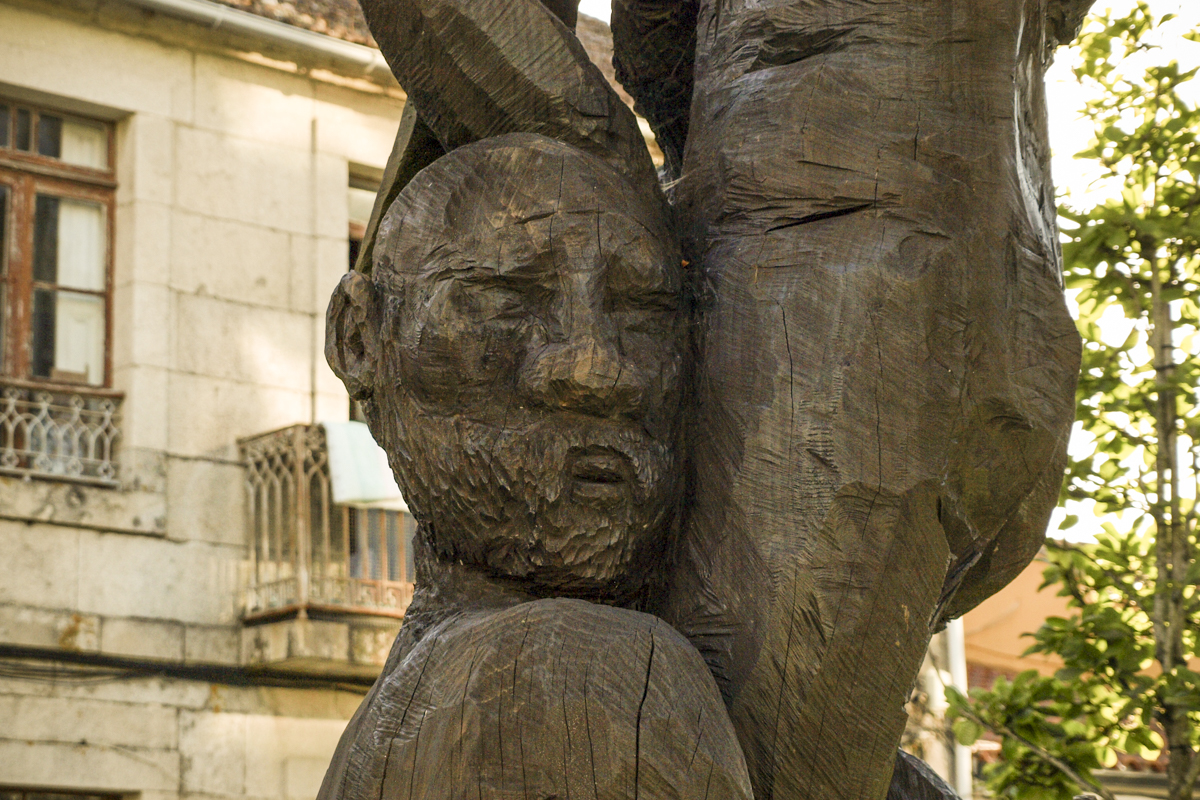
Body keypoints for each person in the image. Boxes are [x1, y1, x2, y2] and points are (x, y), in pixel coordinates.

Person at [319, 133, 751, 800]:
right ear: (359, 339)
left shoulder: (393, 725)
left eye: (643, 311)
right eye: (505, 299)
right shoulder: (587, 672)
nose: (596, 368)